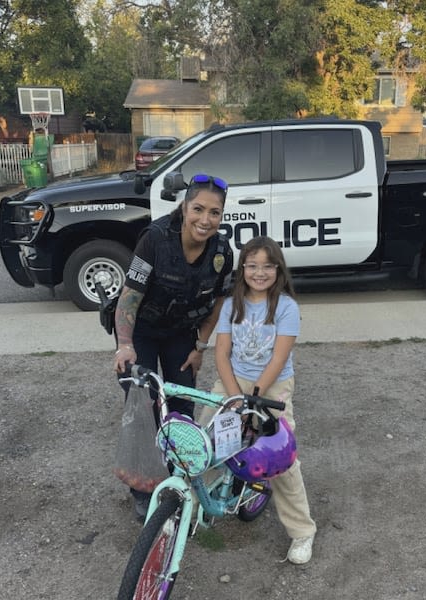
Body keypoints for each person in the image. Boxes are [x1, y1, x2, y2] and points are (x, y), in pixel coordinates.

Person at [111, 173, 235, 520]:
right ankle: (142, 488)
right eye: (198, 209)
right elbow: (129, 297)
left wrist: (200, 345)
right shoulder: (153, 239)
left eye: (215, 212)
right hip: (142, 332)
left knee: (181, 405)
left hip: (182, 332)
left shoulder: (223, 252)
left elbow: (220, 302)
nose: (205, 220)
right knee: (146, 406)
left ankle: (177, 478)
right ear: (185, 206)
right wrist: (124, 345)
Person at [207, 235, 317, 565]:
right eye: (252, 266)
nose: (259, 272)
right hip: (233, 382)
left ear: (278, 269)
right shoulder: (230, 304)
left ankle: (302, 531)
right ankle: (197, 503)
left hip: (272, 385)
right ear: (242, 269)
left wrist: (253, 400)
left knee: (281, 458)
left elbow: (279, 359)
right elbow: (222, 353)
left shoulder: (286, 307)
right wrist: (235, 398)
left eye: (267, 266)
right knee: (207, 441)